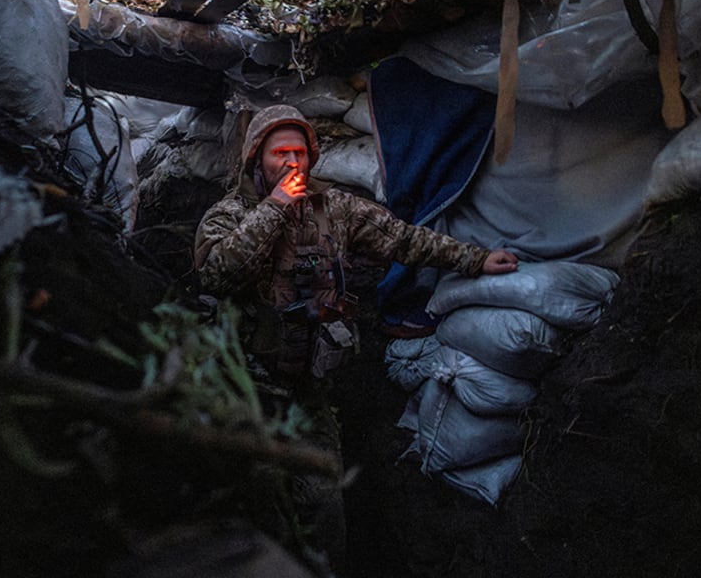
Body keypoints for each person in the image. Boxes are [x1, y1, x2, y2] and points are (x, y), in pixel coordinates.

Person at [193, 104, 517, 572]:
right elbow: (218, 275)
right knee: (256, 504)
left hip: (308, 389)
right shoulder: (227, 214)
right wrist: (275, 209)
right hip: (241, 388)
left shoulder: (337, 210)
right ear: (254, 160)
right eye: (279, 152)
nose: (291, 163)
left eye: (300, 153)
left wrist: (476, 260)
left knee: (324, 505)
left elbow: (404, 239)